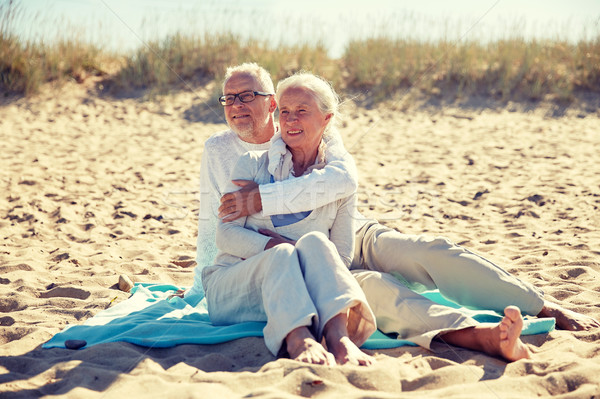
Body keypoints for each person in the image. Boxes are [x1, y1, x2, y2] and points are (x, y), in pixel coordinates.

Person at [190, 63, 596, 361]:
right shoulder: (232, 155)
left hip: (341, 235)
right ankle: (482, 335)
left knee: (428, 250)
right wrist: (203, 278)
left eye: (249, 97)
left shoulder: (330, 147)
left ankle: (539, 304)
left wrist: (263, 201)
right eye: (229, 98)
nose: (238, 106)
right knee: (376, 289)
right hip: (281, 254)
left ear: (272, 103)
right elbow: (217, 224)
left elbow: (341, 186)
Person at [199, 65, 376, 366]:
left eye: (301, 112)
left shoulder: (337, 176)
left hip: (287, 282)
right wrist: (275, 247)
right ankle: (297, 338)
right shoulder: (251, 163)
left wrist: (297, 252)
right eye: (285, 112)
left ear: (326, 120)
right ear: (277, 115)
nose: (291, 120)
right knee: (281, 253)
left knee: (318, 243)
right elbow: (223, 235)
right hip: (231, 282)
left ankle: (339, 337)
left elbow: (341, 255)